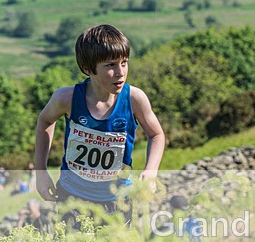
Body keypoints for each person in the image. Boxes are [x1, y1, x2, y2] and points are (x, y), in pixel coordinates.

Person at [33, 24, 166, 227]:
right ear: (88, 68)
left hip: (118, 199)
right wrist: (41, 173)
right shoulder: (66, 98)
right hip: (72, 195)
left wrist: (151, 171)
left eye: (124, 63)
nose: (120, 72)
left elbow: (156, 135)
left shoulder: (134, 99)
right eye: (110, 65)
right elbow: (45, 120)